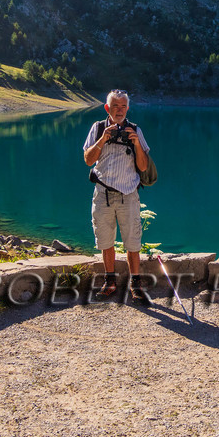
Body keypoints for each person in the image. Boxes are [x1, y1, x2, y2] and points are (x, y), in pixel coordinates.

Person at [82, 90, 151, 299]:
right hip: (102, 193)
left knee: (132, 241)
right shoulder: (98, 128)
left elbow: (143, 165)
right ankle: (109, 281)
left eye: (123, 106)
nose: (119, 110)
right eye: (115, 106)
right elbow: (87, 159)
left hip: (128, 194)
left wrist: (137, 144)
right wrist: (103, 139)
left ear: (127, 108)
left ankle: (136, 284)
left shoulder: (136, 130)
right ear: (107, 108)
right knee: (105, 240)